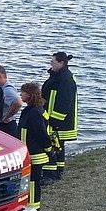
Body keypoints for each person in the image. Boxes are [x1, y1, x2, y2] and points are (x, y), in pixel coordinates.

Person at [40, 52, 78, 182]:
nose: (51, 64)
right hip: (51, 118)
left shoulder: (66, 79)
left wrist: (54, 121)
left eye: (53, 62)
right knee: (56, 146)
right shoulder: (58, 77)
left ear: (61, 63)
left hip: (58, 122)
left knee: (56, 146)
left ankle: (53, 174)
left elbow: (64, 103)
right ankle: (53, 173)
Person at [18, 82, 55, 209]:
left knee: (33, 184)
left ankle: (34, 209)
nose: (21, 94)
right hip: (29, 153)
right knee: (30, 183)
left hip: (35, 154)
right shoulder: (35, 110)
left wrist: (49, 150)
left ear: (29, 95)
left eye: (23, 92)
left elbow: (42, 134)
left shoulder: (34, 112)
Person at [0, 65, 22, 137]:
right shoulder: (3, 88)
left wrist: (6, 117)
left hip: (7, 126)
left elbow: (18, 102)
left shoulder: (7, 90)